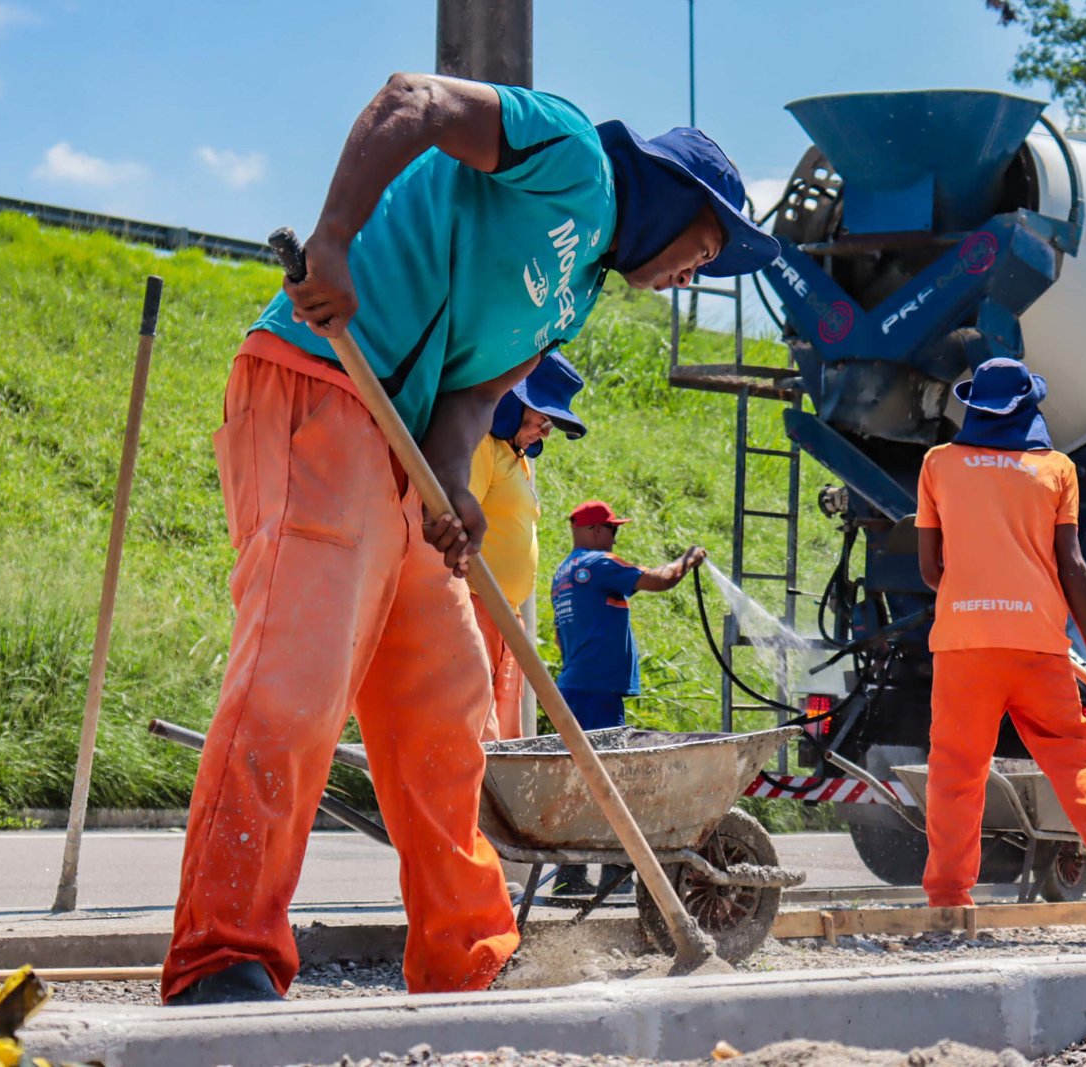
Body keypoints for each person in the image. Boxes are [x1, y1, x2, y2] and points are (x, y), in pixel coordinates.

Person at [162, 71, 779, 1006]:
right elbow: (414, 101)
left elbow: (473, 396)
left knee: (449, 717)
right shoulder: (569, 152)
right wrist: (333, 239)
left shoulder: (571, 300)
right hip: (323, 383)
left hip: (403, 446)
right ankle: (222, 954)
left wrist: (455, 484)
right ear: (676, 198)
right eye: (708, 247)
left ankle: (467, 956)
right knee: (295, 686)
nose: (699, 273)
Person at [914, 357, 1086, 944]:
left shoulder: (938, 465)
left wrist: (975, 588)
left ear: (975, 406)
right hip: (1040, 646)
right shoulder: (1057, 470)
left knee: (956, 772)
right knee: (1073, 760)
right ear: (1029, 407)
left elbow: (930, 569)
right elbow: (1074, 568)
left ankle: (950, 901)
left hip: (964, 646)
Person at [547, 500, 706, 894]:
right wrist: (688, 559)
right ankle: (615, 874)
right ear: (595, 530)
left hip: (574, 687)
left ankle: (571, 879)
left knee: (582, 782)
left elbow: (557, 635)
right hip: (597, 688)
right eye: (612, 528)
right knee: (612, 782)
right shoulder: (599, 564)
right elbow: (660, 580)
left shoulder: (562, 573)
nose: (615, 534)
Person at [471, 351, 587, 742]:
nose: (547, 431)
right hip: (475, 606)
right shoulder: (481, 448)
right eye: (544, 418)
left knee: (502, 740)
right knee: (476, 734)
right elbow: (449, 526)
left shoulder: (513, 457)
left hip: (506, 618)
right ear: (512, 401)